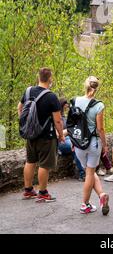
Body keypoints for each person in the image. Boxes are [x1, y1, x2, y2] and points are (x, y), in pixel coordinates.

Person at [18, 68, 64, 202]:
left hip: (30, 134)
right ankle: (43, 193)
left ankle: (28, 190)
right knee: (44, 164)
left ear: (38, 77)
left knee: (30, 161)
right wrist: (61, 135)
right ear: (50, 79)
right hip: (46, 136)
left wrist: (25, 123)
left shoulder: (28, 91)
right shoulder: (51, 96)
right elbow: (57, 120)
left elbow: (19, 108)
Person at [73, 76, 110, 215]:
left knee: (90, 172)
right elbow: (100, 128)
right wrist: (105, 145)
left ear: (85, 85)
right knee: (90, 172)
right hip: (93, 143)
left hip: (78, 142)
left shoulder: (76, 101)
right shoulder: (99, 105)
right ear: (96, 88)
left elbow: (73, 123)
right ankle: (85, 204)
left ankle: (101, 196)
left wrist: (73, 140)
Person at [58, 98, 85, 181]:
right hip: (61, 141)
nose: (68, 106)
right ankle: (82, 174)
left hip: (70, 138)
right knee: (76, 146)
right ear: (63, 105)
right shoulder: (57, 117)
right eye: (66, 105)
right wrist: (69, 130)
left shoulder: (64, 116)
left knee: (83, 143)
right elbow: (57, 134)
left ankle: (88, 170)